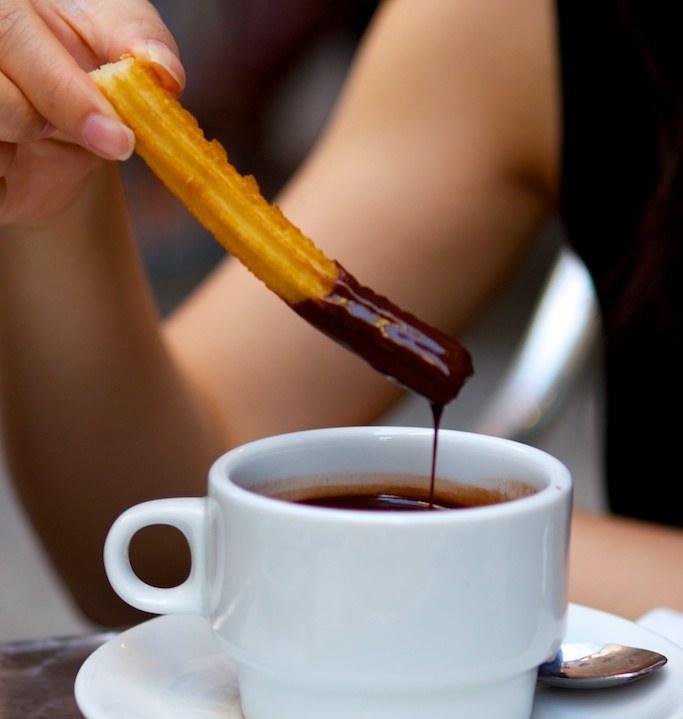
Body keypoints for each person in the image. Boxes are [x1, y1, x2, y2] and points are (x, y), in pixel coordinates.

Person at [0, 0, 682, 627]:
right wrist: (53, 159)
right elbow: (167, 530)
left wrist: (434, 550)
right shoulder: (516, 22)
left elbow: (233, 543)